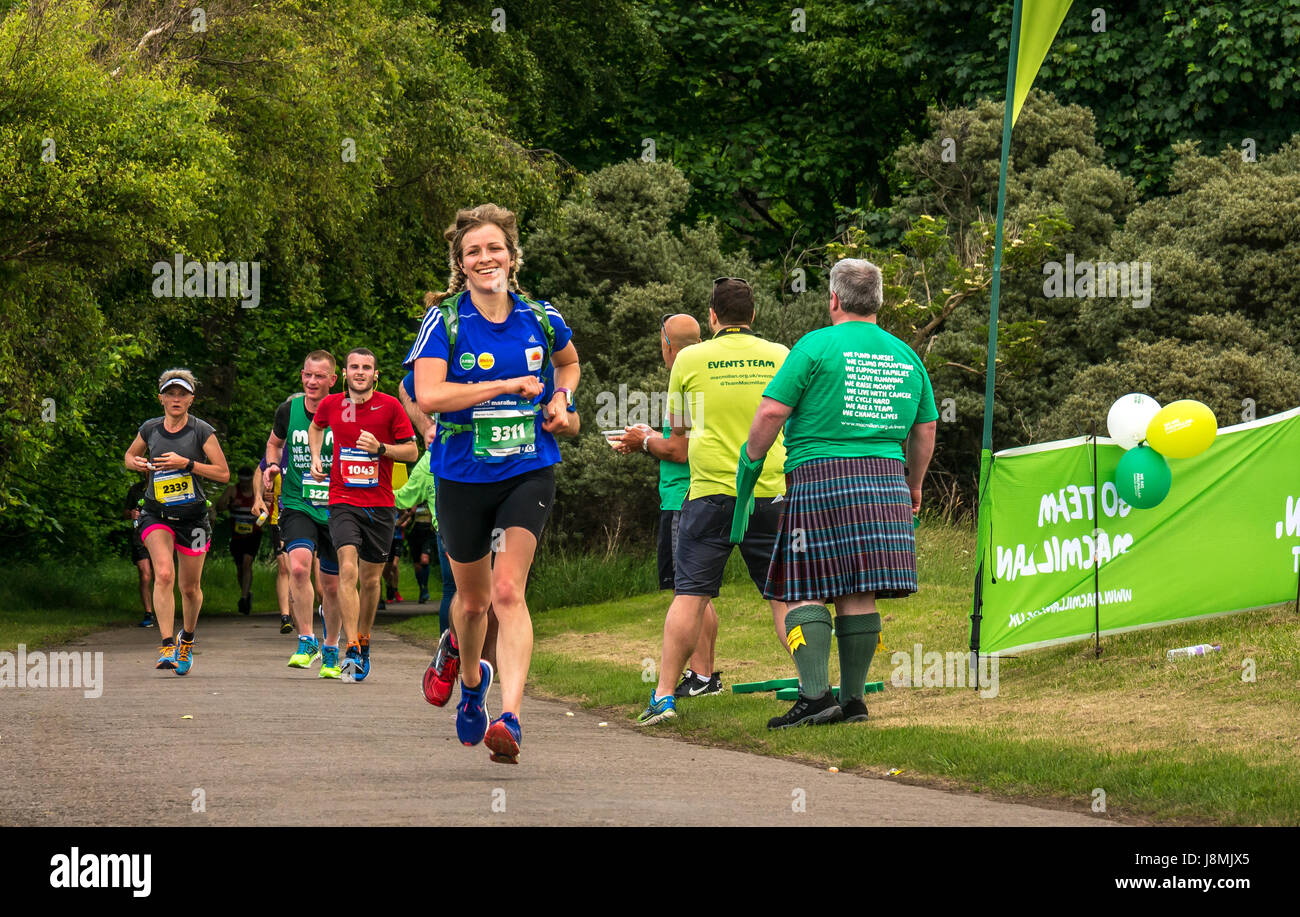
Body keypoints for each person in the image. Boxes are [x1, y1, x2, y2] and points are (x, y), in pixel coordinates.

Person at [407, 203, 580, 764]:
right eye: (474, 251)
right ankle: (470, 680)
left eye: (495, 248)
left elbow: (569, 363)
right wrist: (503, 385)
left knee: (508, 593)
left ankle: (511, 718)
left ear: (512, 254)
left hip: (527, 468)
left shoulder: (540, 315)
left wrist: (560, 398)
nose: (487, 258)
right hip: (460, 473)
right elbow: (429, 395)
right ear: (461, 263)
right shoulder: (447, 322)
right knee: (473, 602)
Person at [739, 258, 937, 728]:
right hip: (886, 477)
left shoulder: (815, 346)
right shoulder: (905, 355)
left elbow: (770, 413)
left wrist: (750, 458)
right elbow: (925, 426)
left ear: (833, 298)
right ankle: (852, 701)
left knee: (804, 586)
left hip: (820, 476)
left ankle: (814, 697)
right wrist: (914, 484)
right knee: (860, 588)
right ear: (878, 301)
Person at [635, 278, 790, 726]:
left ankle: (664, 697)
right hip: (770, 490)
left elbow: (678, 435)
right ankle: (816, 689)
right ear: (754, 316)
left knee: (690, 596)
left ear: (713, 317)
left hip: (710, 493)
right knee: (785, 598)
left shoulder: (688, 358)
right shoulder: (780, 355)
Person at [612, 313, 722, 698]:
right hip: (696, 493)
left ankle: (703, 677)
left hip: (684, 497)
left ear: (665, 341)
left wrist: (645, 442)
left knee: (691, 592)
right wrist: (648, 437)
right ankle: (703, 676)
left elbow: (684, 449)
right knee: (695, 591)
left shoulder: (688, 377)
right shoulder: (707, 374)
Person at [309, 348, 418, 682]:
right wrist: (316, 456)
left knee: (371, 581)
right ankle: (351, 646)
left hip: (380, 504)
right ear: (344, 373)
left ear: (375, 374)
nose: (360, 372)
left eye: (366, 367)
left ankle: (365, 638)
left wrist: (381, 449)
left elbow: (412, 450)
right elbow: (316, 428)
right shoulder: (331, 405)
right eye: (354, 367)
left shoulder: (390, 406)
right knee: (346, 568)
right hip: (342, 501)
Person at [123, 369, 230, 675]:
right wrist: (137, 462)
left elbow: (223, 474)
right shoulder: (150, 429)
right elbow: (129, 456)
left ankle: (187, 640)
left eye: (182, 394)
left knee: (190, 588)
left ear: (191, 400)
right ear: (161, 398)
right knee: (165, 574)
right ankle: (167, 644)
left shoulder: (201, 432)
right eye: (170, 393)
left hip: (194, 519)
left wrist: (189, 464)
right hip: (156, 513)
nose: (176, 399)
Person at [261, 352, 343, 676]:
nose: (311, 382)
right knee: (298, 568)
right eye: (308, 375)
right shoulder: (289, 410)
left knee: (333, 587)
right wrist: (271, 466)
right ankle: (307, 638)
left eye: (319, 377)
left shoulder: (344, 411)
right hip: (297, 502)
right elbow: (274, 444)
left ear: (332, 381)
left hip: (336, 506)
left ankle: (332, 648)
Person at [253, 454, 294, 633]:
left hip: (309, 515)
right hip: (279, 518)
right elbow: (260, 471)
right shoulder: (278, 449)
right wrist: (259, 497)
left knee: (304, 568)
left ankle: (313, 612)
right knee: (284, 567)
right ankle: (286, 616)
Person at [215, 466, 262, 615]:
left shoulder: (257, 492)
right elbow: (219, 506)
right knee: (240, 568)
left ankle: (243, 598)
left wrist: (259, 520)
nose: (245, 485)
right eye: (242, 482)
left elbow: (266, 510)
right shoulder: (232, 490)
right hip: (236, 535)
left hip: (253, 534)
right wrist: (230, 504)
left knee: (247, 563)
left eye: (247, 482)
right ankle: (246, 593)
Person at [123, 473, 155, 628]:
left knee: (162, 576)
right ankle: (148, 613)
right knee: (145, 573)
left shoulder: (164, 486)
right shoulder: (136, 489)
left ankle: (163, 611)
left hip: (160, 538)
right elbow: (125, 512)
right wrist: (131, 514)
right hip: (140, 537)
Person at [379, 461, 409, 609]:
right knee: (384, 570)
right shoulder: (378, 499)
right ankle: (388, 588)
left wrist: (396, 525)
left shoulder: (395, 499)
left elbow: (406, 514)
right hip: (383, 538)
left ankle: (393, 590)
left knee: (393, 566)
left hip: (396, 537)